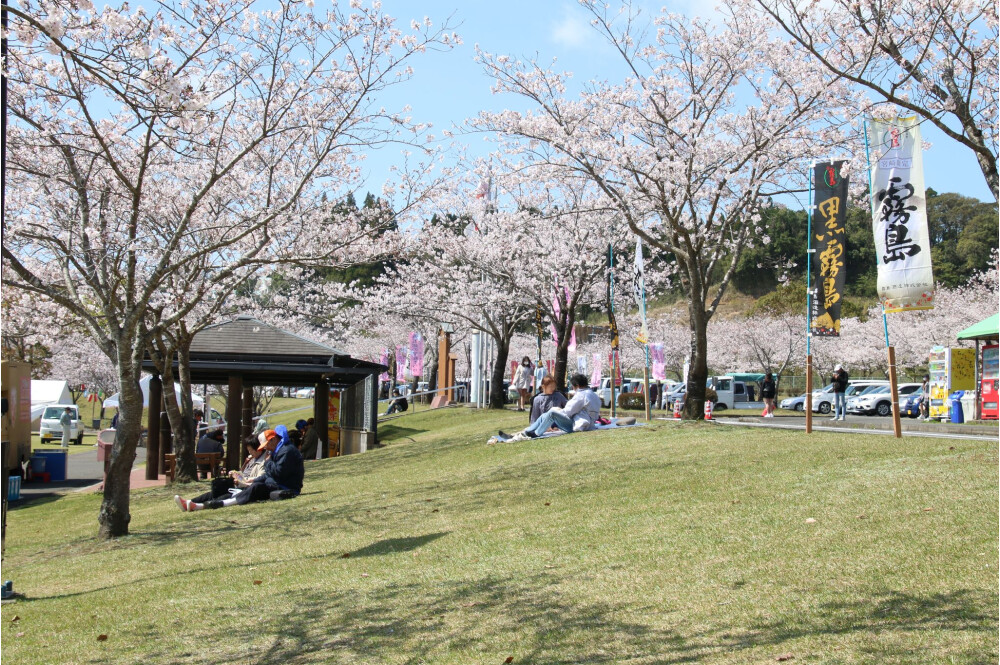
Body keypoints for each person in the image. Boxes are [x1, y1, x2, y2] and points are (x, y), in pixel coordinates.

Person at [175, 426, 304, 511]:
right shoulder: (277, 452)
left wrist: (267, 463)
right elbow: (271, 474)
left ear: (274, 440)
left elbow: (279, 473)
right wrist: (253, 479)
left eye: (266, 445)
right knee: (227, 488)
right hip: (274, 483)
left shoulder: (285, 452)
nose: (265, 448)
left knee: (253, 488)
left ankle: (206, 505)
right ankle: (192, 503)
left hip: (285, 487)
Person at [501, 374, 600, 441]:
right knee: (547, 414)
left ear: (576, 386)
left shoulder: (580, 395)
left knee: (552, 413)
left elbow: (568, 411)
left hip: (581, 425)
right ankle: (526, 432)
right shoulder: (593, 394)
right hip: (586, 422)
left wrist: (553, 421)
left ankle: (536, 433)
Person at [185, 436, 268, 504]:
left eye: (251, 450)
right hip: (239, 485)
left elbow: (258, 478)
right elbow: (243, 473)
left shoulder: (264, 461)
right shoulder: (253, 459)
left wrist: (243, 481)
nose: (250, 453)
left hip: (245, 488)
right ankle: (191, 502)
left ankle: (199, 505)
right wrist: (237, 472)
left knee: (224, 495)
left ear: (258, 449)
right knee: (215, 492)